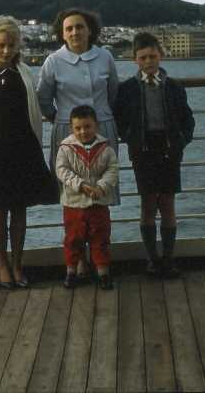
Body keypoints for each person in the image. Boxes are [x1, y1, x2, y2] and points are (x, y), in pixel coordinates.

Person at [0, 15, 57, 289]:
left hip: (24, 148)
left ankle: (18, 264)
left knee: (20, 208)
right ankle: (2, 265)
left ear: (18, 45)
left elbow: (36, 108)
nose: (6, 50)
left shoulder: (24, 72)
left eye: (11, 45)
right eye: (1, 45)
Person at [37, 8, 120, 278]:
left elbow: (114, 92)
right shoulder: (53, 61)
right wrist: (61, 119)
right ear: (61, 34)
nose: (75, 32)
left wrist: (103, 117)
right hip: (67, 133)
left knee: (100, 191)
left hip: (102, 128)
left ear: (90, 29)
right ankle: (79, 259)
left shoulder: (105, 57)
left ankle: (100, 257)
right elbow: (43, 98)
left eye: (80, 27)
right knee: (72, 196)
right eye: (69, 28)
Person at [114, 32, 195, 278]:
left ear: (160, 55)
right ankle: (152, 259)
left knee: (168, 203)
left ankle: (168, 259)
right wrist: (130, 138)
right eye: (143, 57)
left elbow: (187, 118)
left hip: (170, 149)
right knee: (148, 204)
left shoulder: (174, 87)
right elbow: (120, 119)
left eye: (152, 56)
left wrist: (181, 141)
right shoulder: (127, 89)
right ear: (135, 60)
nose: (148, 61)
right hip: (142, 150)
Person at [56, 105, 119, 290]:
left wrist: (101, 187)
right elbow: (62, 170)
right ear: (71, 128)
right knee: (73, 240)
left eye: (87, 126)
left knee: (100, 238)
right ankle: (71, 272)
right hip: (73, 204)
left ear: (96, 125)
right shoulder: (65, 148)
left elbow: (112, 170)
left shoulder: (106, 148)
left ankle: (103, 273)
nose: (83, 131)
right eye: (78, 128)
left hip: (98, 203)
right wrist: (80, 185)